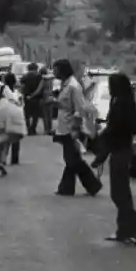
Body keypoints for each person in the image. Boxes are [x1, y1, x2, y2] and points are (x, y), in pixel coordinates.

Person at [91, 73, 136, 245]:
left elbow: (116, 128)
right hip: (120, 149)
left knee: (119, 193)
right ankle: (125, 229)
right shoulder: (120, 101)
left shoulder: (122, 104)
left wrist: (101, 146)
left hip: (121, 150)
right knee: (120, 192)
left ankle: (134, 229)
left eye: (111, 84)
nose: (109, 88)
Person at [53, 59, 102, 197]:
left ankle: (91, 185)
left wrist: (75, 129)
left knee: (72, 160)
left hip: (70, 128)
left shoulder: (73, 86)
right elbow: (67, 105)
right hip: (64, 127)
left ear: (62, 70)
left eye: (56, 69)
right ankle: (68, 188)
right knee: (71, 159)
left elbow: (80, 109)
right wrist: (56, 104)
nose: (54, 72)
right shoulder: (65, 85)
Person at [2, 71, 22, 165]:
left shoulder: (3, 91)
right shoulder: (17, 92)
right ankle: (15, 158)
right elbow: (21, 104)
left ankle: (3, 158)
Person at [20, 63, 43, 135]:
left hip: (26, 97)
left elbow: (21, 85)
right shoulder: (39, 76)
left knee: (27, 114)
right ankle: (33, 129)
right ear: (36, 68)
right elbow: (41, 87)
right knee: (35, 115)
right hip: (36, 97)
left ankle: (28, 128)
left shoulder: (25, 76)